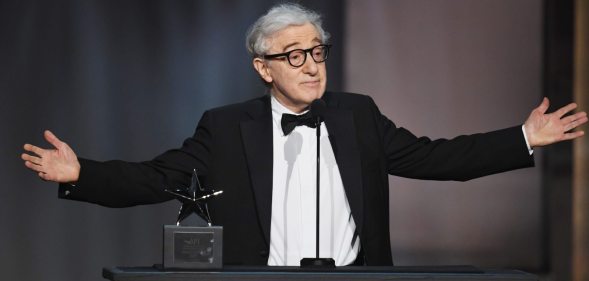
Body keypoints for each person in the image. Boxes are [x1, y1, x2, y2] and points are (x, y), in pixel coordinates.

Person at [21, 3, 587, 266]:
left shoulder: (357, 114)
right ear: (264, 68)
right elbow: (156, 178)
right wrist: (82, 173)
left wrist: (524, 137)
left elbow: (435, 158)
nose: (312, 66)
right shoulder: (225, 127)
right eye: (294, 56)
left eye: (317, 52)